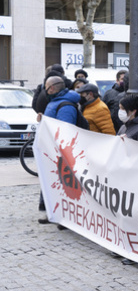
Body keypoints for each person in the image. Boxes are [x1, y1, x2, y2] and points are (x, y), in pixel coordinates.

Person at [37, 75, 83, 227]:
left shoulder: (66, 106)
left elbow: (64, 130)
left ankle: (64, 216)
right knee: (49, 179)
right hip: (51, 151)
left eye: (46, 87)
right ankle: (48, 209)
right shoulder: (55, 102)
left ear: (51, 88)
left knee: (63, 184)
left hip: (59, 152)